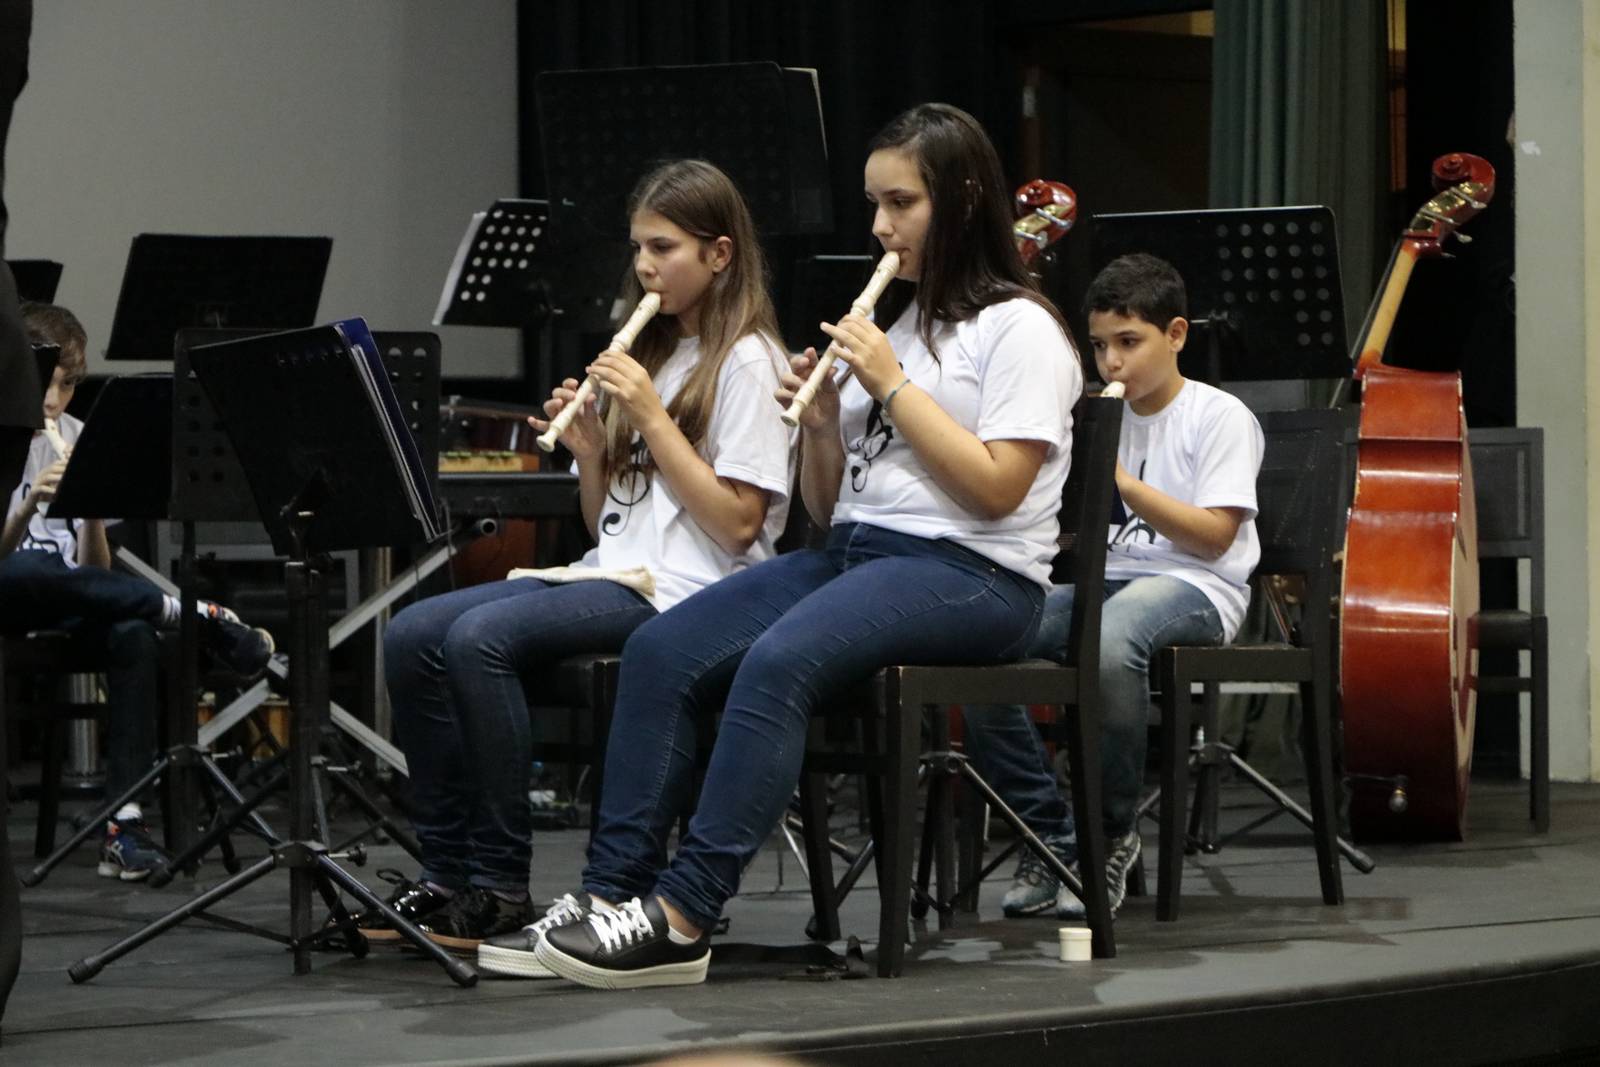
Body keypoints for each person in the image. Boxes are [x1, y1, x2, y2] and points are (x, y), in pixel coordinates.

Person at [522, 102, 1082, 990]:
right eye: (874, 204)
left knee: (779, 662)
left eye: (900, 203)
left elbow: (997, 487)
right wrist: (823, 428)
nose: (879, 227)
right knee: (663, 645)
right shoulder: (899, 327)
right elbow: (828, 507)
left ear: (964, 197)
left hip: (978, 577)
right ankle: (608, 896)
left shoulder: (1021, 328)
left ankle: (683, 913)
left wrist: (891, 388)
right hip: (862, 554)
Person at [376, 159, 795, 959]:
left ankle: (500, 884)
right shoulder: (662, 354)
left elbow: (739, 525)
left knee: (478, 639)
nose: (644, 266)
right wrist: (595, 450)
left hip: (689, 590)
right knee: (411, 633)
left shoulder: (749, 360)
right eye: (638, 247)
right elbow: (608, 520)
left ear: (719, 253)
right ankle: (451, 869)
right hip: (619, 569)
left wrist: (649, 416)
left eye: (664, 247)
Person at [962, 252, 1265, 920]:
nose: (1112, 362)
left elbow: (1215, 536)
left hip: (1199, 587)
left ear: (1177, 334)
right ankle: (1051, 829)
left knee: (1111, 639)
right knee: (979, 638)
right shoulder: (1091, 421)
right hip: (1107, 581)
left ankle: (1109, 830)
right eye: (1100, 346)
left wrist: (1119, 483)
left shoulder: (1220, 416)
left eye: (1130, 343)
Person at [0, 302, 275, 881]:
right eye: (45, 384)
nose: (53, 402)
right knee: (25, 571)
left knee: (134, 636)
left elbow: (94, 569)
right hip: (7, 592)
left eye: (68, 386)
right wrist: (27, 506)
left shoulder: (78, 436)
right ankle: (196, 613)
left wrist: (90, 507)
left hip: (74, 599)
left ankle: (124, 825)